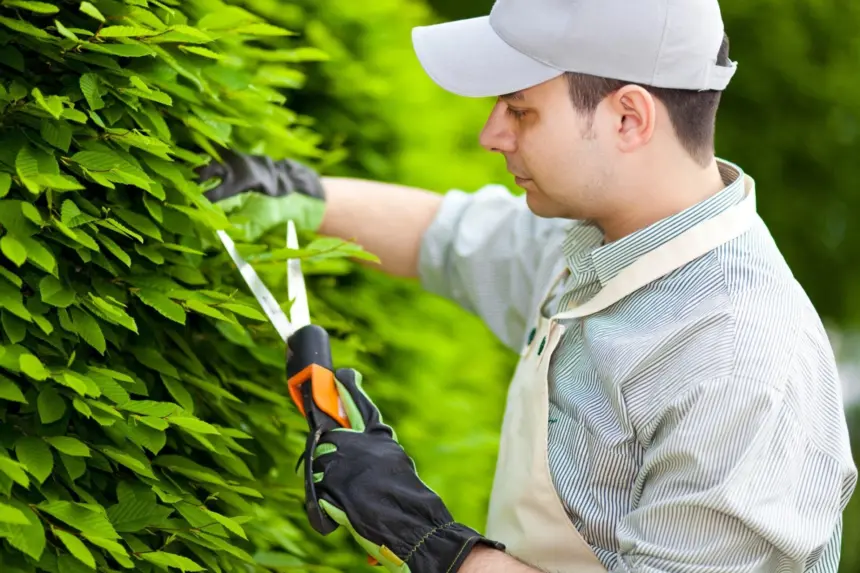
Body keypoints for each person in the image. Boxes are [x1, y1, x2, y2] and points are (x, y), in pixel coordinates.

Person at [201, 0, 859, 571]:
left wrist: (430, 540)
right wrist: (297, 195)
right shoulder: (604, 242)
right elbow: (448, 235)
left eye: (521, 109)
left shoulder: (739, 362)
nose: (491, 133)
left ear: (628, 118)